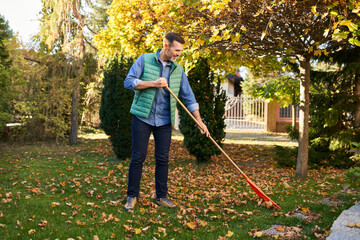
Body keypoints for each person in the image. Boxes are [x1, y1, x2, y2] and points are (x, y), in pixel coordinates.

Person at [123, 32, 209, 210]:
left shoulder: (178, 70)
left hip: (164, 121)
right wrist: (153, 83)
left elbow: (189, 97)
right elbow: (129, 82)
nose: (178, 54)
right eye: (176, 50)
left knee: (163, 159)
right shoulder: (144, 60)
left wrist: (199, 121)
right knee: (138, 158)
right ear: (166, 46)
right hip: (142, 118)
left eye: (180, 51)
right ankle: (132, 196)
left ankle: (161, 196)